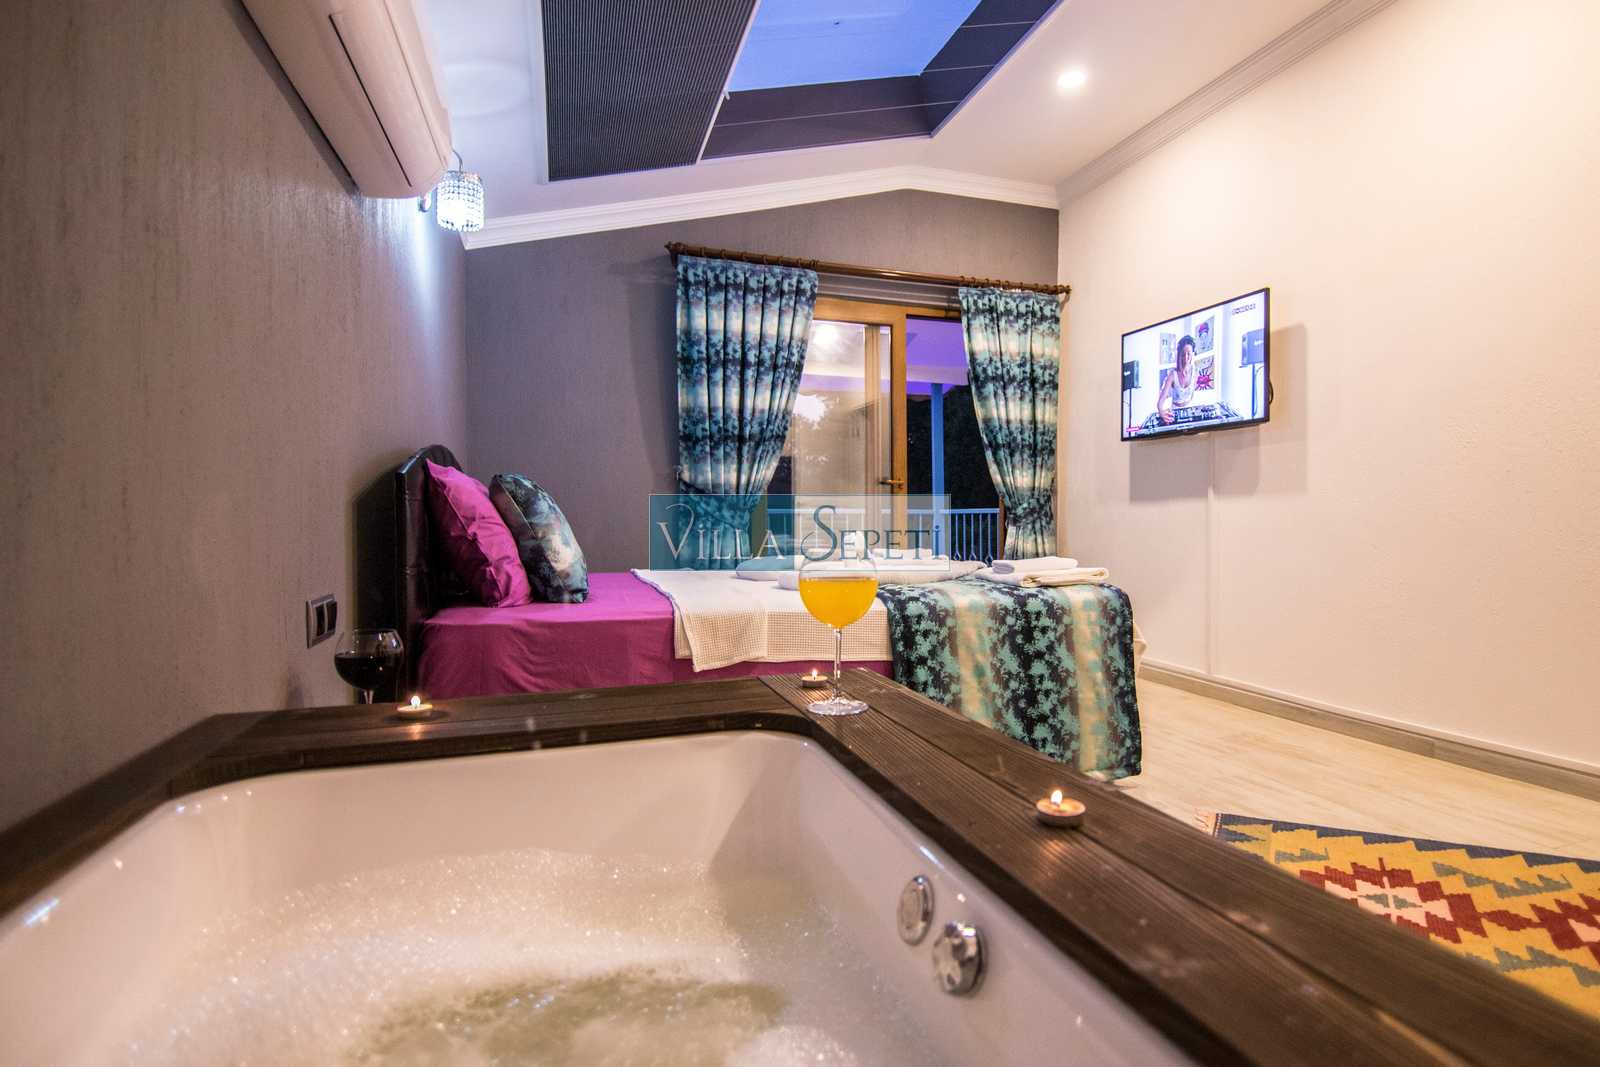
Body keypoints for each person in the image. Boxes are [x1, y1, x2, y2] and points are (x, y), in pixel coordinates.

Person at [1156, 335, 1198, 424]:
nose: (1186, 357)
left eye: (1188, 353)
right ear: (1179, 355)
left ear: (1192, 353)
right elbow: (1160, 402)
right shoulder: (1172, 375)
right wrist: (1161, 412)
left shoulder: (1195, 370)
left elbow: (1192, 393)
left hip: (1191, 409)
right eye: (1183, 354)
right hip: (1176, 412)